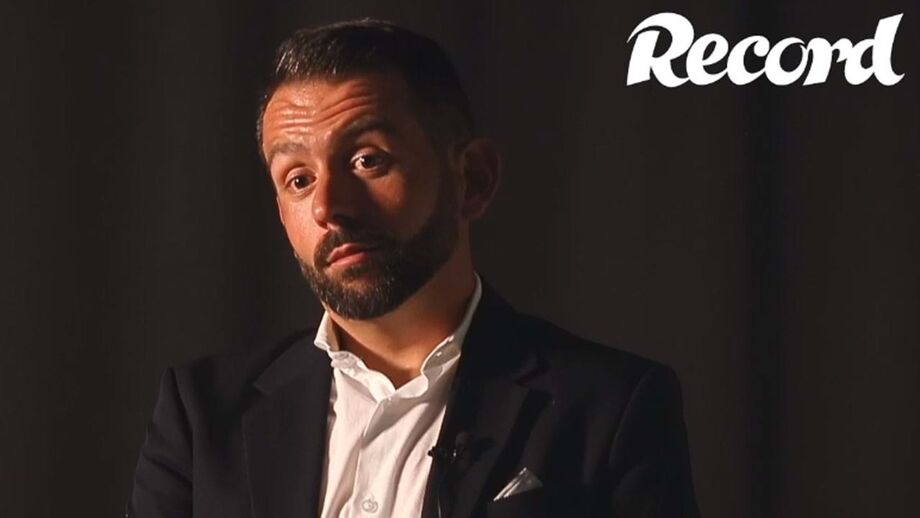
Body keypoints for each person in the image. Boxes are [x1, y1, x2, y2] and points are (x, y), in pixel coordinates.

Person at [128, 19, 699, 518]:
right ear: (282, 213)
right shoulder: (202, 414)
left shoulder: (609, 408)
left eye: (367, 160)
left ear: (472, 179)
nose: (328, 207)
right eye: (298, 179)